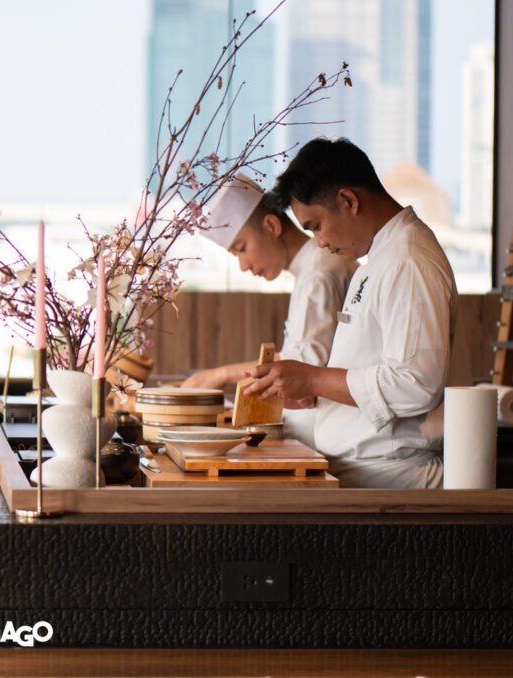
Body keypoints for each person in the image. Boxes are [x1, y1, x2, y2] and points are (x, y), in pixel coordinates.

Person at [246, 137, 458, 488]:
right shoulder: (381, 257)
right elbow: (371, 365)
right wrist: (319, 391)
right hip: (365, 470)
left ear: (348, 200)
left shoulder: (408, 260)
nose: (319, 242)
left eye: (316, 225)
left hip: (392, 477)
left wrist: (314, 379)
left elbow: (415, 384)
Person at [183, 173, 357, 446]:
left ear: (272, 226)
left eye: (242, 249)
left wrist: (221, 375)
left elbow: (304, 365)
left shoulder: (319, 271)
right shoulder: (311, 270)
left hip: (326, 437)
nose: (243, 265)